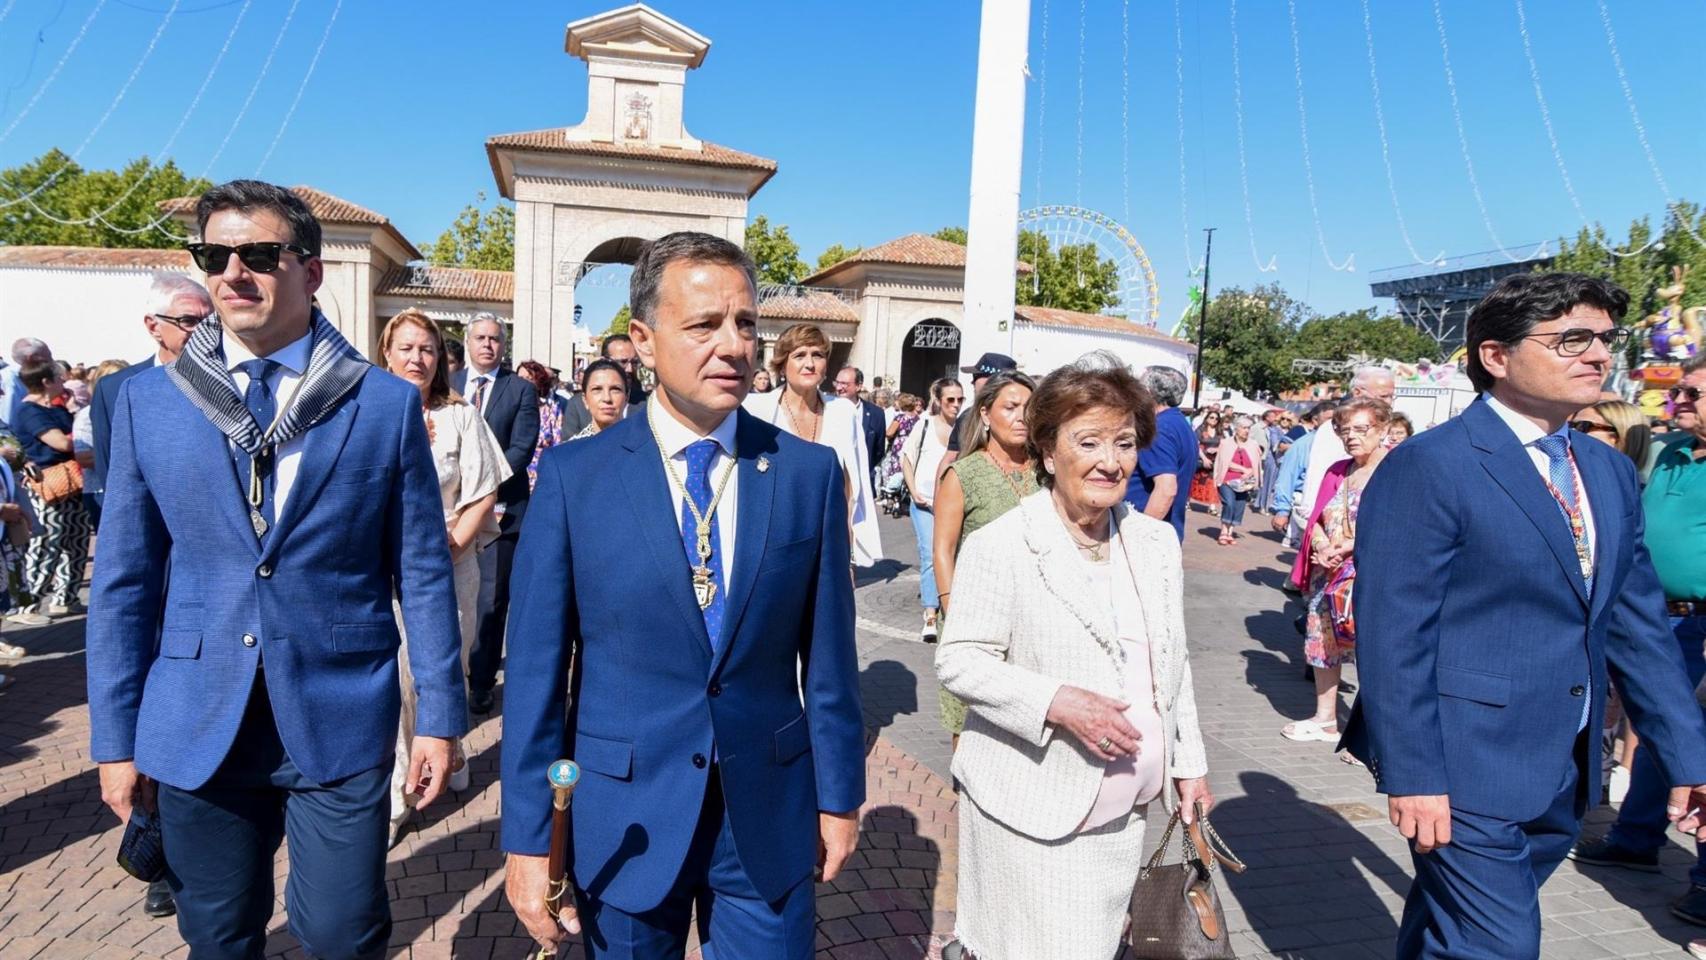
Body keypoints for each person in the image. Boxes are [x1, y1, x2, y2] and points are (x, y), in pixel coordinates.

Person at [87, 179, 467, 959]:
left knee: (339, 932)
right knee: (218, 935)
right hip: (197, 714)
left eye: (259, 254)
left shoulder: (382, 404)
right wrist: (114, 738)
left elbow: (422, 569)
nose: (233, 272)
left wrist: (439, 716)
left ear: (311, 270)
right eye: (214, 255)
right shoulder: (148, 405)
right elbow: (124, 583)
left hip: (337, 705)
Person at [500, 232, 864, 959]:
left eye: (746, 323)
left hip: (766, 807)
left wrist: (840, 795)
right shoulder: (577, 478)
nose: (733, 345)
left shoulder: (806, 474)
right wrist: (530, 837)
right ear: (642, 337)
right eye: (704, 324)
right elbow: (537, 673)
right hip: (624, 814)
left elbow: (829, 660)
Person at [1342, 272, 1706, 959]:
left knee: (1450, 930)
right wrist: (1415, 774)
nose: (1598, 355)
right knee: (1497, 946)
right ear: (1496, 356)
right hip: (1461, 763)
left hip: (1561, 765)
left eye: (1606, 338)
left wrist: (1690, 759)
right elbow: (1394, 635)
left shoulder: (1607, 471)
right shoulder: (1432, 465)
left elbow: (1638, 627)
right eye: (1572, 338)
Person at [935, 357, 1212, 960]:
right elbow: (957, 660)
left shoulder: (1155, 543)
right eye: (1088, 442)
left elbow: (1175, 661)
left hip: (1124, 817)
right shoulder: (1001, 544)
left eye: (1124, 443)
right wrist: (1055, 701)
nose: (1110, 461)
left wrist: (1189, 764)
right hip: (1030, 810)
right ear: (1048, 451)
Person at [1569, 352, 1706, 928]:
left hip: (1700, 625)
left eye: (1694, 395)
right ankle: (1636, 836)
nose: (1678, 402)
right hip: (1652, 619)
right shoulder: (1670, 451)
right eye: (1681, 393)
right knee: (1658, 730)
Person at [379, 309, 510, 842]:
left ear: (442, 360)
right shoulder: (365, 412)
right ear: (386, 352)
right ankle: (394, 798)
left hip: (449, 569)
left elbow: (483, 492)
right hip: (381, 574)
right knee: (396, 681)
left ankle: (444, 753)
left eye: (427, 350)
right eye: (406, 348)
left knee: (439, 671)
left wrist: (451, 548)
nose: (417, 358)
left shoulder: (461, 418)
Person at [931, 370, 1037, 747]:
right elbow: (942, 548)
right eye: (1011, 407)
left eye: (1028, 408)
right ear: (987, 414)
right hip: (974, 616)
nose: (1021, 416)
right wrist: (951, 608)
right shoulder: (963, 473)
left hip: (1032, 617)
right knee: (970, 720)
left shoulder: (1047, 472)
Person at [1281, 399, 1392, 747]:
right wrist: (1319, 545)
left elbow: (1397, 523)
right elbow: (1316, 515)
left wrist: (1346, 547)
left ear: (1384, 430)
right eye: (1345, 431)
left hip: (1371, 577)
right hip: (1328, 575)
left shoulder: (1395, 469)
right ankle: (1326, 719)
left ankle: (1376, 732)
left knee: (1375, 650)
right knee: (1322, 645)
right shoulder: (1337, 470)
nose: (1352, 437)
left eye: (1362, 429)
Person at [744, 324, 883, 566]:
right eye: (799, 355)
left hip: (827, 544)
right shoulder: (756, 410)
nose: (810, 363)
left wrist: (848, 558)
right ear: (782, 365)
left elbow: (852, 487)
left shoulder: (843, 412)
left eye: (817, 355)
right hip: (770, 547)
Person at [462, 313, 541, 716]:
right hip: (449, 514)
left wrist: (479, 485)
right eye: (480, 337)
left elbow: (522, 449)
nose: (488, 345)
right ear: (467, 341)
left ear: (503, 345)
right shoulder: (449, 384)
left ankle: (481, 681)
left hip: (501, 510)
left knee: (491, 602)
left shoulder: (521, 390)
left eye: (495, 338)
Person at [11, 363, 92, 621]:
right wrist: (81, 426)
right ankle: (30, 604)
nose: (64, 382)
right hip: (48, 483)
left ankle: (66, 597)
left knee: (76, 541)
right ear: (46, 382)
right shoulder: (29, 412)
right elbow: (61, 442)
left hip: (72, 483)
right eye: (59, 378)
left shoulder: (55, 408)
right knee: (48, 543)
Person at [900, 377, 963, 641]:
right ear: (938, 400)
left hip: (952, 504)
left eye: (961, 399)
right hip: (924, 502)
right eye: (950, 399)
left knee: (952, 554)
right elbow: (907, 457)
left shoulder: (965, 428)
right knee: (929, 555)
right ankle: (930, 614)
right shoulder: (924, 424)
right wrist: (913, 491)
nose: (956, 405)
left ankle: (952, 609)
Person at [1297, 365, 1396, 530]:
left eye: (1392, 396)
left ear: (1383, 429)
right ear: (1357, 393)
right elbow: (1318, 485)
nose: (1350, 436)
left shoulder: (1398, 464)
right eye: (1384, 396)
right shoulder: (1330, 434)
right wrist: (1317, 539)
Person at [1124, 366, 1199, 542]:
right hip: (1166, 531)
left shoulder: (1160, 428)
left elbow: (1166, 489)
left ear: (1148, 393)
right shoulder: (1179, 424)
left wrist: (1141, 537)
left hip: (1149, 535)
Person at [937, 351, 1018, 479]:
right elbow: (949, 460)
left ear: (992, 379)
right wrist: (940, 498)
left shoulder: (1022, 418)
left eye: (976, 377)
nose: (972, 383)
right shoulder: (967, 417)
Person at [1271, 401, 1338, 548]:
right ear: (1315, 420)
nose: (1333, 423)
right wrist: (1282, 511)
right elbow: (1286, 478)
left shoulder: (1342, 443)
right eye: (1329, 419)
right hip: (1307, 505)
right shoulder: (1302, 445)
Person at [563, 333, 648, 434]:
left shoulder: (647, 403)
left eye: (634, 362)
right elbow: (569, 446)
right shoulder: (577, 405)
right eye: (623, 362)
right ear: (604, 360)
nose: (629, 369)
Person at [1572, 398, 1657, 485]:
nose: (1571, 431)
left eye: (1582, 426)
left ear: (1619, 435)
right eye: (1570, 425)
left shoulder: (1639, 494)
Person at [516, 359, 569, 493]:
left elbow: (558, 443)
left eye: (529, 378)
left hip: (543, 474)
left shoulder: (552, 408)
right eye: (520, 378)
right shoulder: (510, 406)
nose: (523, 382)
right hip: (515, 473)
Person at [834, 365, 887, 491]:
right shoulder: (826, 409)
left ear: (858, 386)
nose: (838, 387)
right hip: (834, 480)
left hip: (863, 482)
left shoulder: (876, 414)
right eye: (837, 383)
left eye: (844, 384)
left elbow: (878, 450)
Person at [1213, 416, 1263, 545]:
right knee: (1229, 503)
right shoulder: (1226, 443)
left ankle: (1230, 532)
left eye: (1248, 428)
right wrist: (1242, 468)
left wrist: (1250, 472)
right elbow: (1222, 462)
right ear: (1236, 429)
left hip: (1244, 483)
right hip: (1227, 479)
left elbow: (1257, 463)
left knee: (1239, 505)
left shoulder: (1253, 444)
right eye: (1244, 428)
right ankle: (1224, 530)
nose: (1246, 430)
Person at [570, 358, 631, 440]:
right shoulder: (571, 450)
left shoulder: (645, 446)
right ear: (585, 400)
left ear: (626, 397)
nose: (607, 398)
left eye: (615, 389)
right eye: (597, 389)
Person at [1, 338, 51, 430]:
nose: (50, 361)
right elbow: (10, 416)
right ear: (31, 357)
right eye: (48, 357)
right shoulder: (11, 378)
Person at [1189, 410, 1222, 514]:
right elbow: (1195, 444)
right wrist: (1204, 458)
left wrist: (1217, 450)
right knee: (1194, 481)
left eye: (1216, 418)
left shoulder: (1220, 431)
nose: (1214, 420)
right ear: (1207, 418)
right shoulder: (1200, 430)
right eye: (1211, 417)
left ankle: (1212, 507)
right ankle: (1187, 501)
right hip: (1201, 458)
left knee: (1212, 482)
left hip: (1215, 461)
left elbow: (1224, 444)